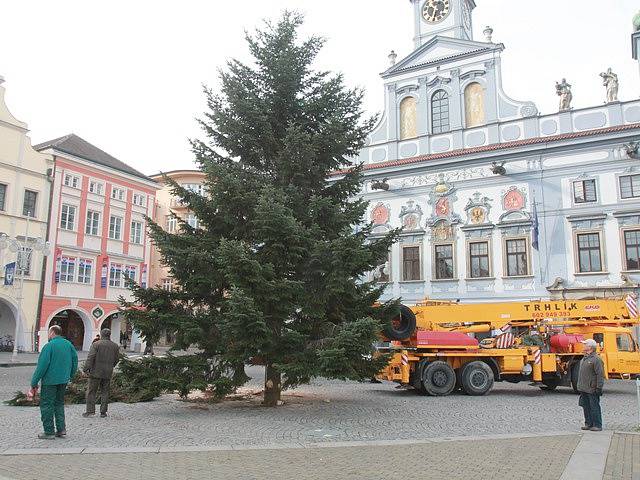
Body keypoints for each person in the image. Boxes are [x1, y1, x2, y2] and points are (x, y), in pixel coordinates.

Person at [30, 325, 78, 440]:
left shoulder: (49, 346)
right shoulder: (69, 345)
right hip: (63, 380)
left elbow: (42, 366)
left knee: (47, 405)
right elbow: (75, 361)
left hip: (50, 381)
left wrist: (34, 382)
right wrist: (70, 375)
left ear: (52, 332)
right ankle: (61, 429)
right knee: (59, 404)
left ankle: (49, 431)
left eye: (48, 332)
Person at [82, 328, 120, 418]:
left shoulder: (96, 344)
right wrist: (111, 366)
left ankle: (90, 411)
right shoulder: (115, 346)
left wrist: (85, 369)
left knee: (91, 391)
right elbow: (117, 359)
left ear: (101, 334)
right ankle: (103, 412)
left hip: (95, 371)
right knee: (105, 392)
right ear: (109, 335)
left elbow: (91, 357)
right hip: (108, 371)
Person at [577, 338, 605, 432]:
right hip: (584, 388)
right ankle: (588, 423)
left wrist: (599, 387)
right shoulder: (585, 358)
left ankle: (597, 425)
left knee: (594, 407)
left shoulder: (596, 359)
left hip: (592, 388)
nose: (583, 346)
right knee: (586, 406)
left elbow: (600, 375)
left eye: (585, 344)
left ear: (590, 347)